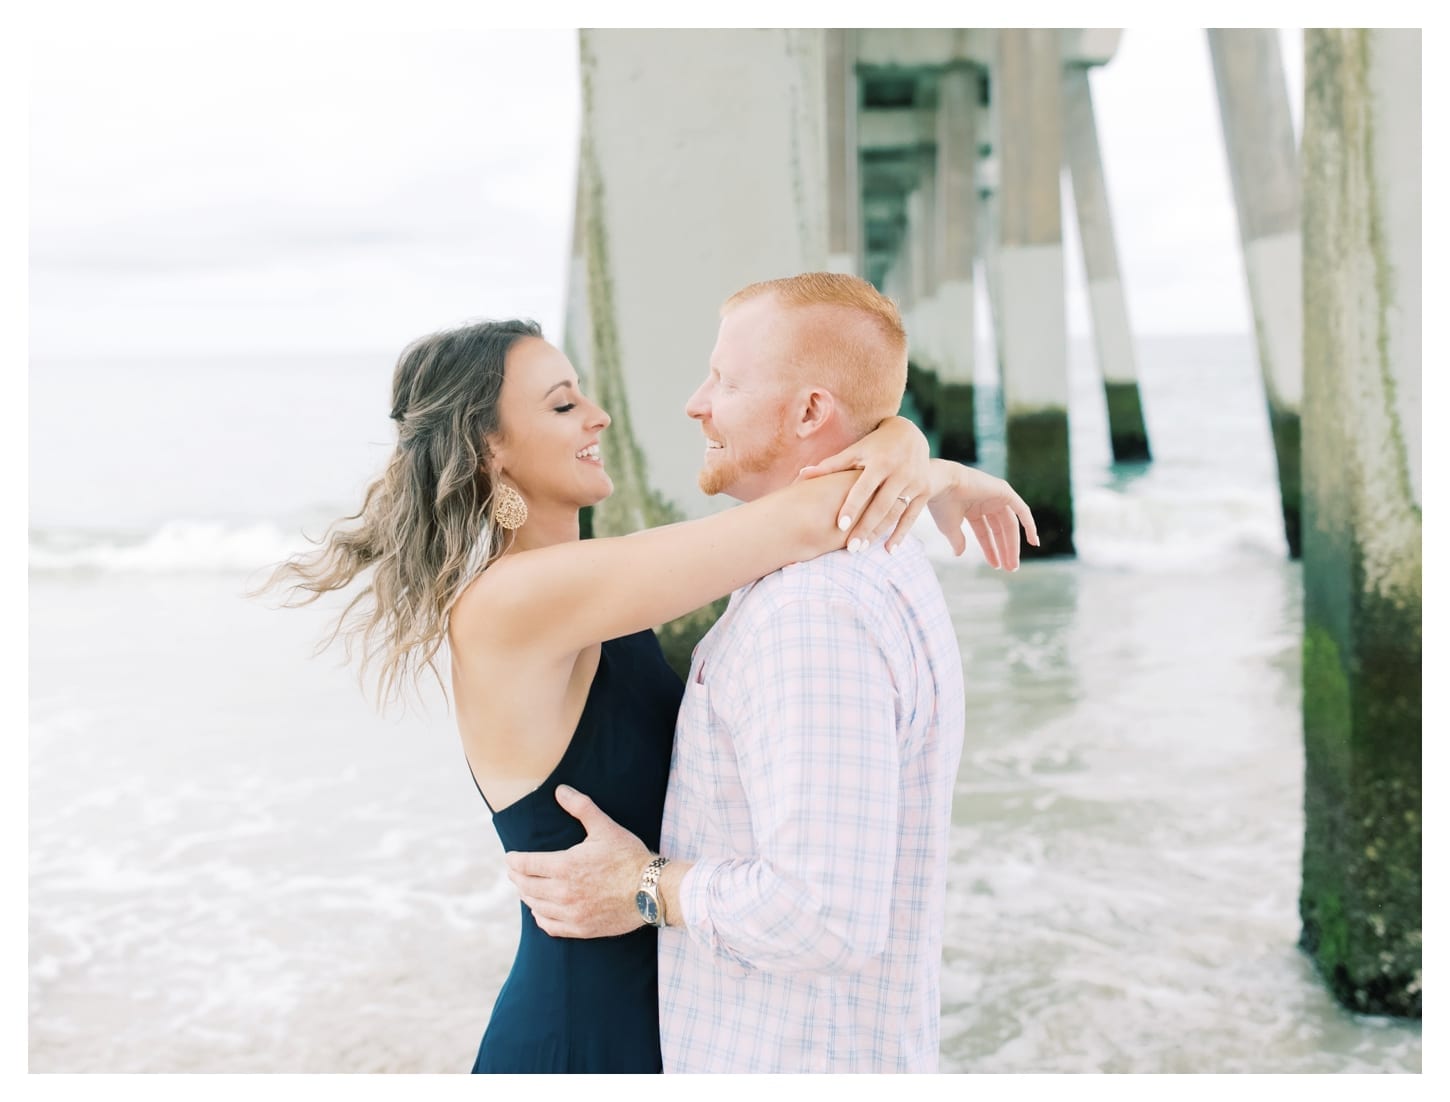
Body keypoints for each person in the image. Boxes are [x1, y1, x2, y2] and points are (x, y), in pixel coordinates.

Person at [263, 296, 1034, 1074]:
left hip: (672, 1020)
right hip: (580, 1038)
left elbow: (801, 511)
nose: (598, 417)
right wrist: (913, 453)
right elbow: (803, 519)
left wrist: (905, 449)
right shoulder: (509, 604)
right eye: (563, 404)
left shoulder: (599, 583)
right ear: (489, 450)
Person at [505, 273, 1037, 1073]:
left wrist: (646, 885)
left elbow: (822, 915)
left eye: (725, 379)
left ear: (811, 412)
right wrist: (916, 455)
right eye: (560, 404)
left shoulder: (809, 609)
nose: (694, 402)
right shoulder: (869, 552)